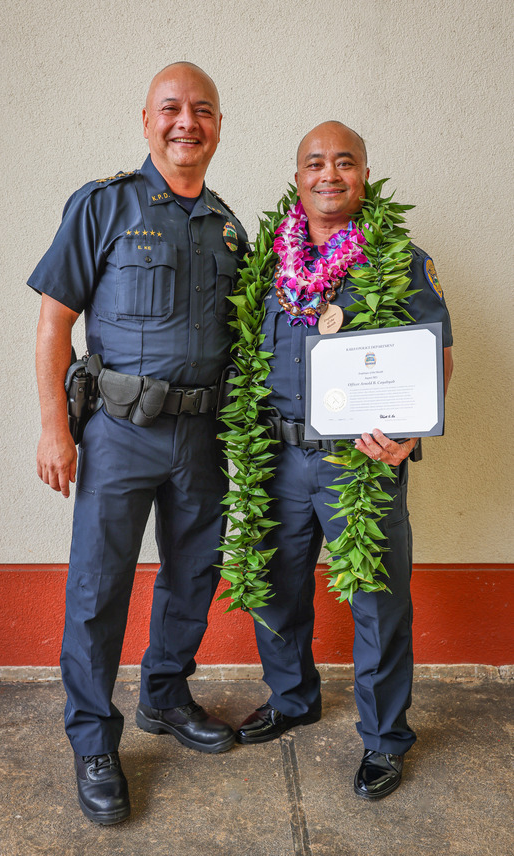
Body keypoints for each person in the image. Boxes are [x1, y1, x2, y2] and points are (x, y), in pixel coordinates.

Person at [28, 62, 247, 825]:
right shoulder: (104, 205)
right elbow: (55, 321)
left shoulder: (229, 225)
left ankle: (164, 694)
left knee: (193, 575)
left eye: (203, 111)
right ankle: (93, 739)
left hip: (201, 436)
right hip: (119, 432)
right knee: (98, 589)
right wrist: (56, 427)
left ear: (218, 125)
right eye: (171, 109)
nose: (187, 122)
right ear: (146, 119)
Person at [235, 121, 453, 800]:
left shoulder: (398, 258)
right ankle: (292, 697)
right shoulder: (267, 264)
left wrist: (409, 434)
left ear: (364, 174)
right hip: (276, 454)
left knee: (377, 603)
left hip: (360, 463)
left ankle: (385, 739)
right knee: (275, 587)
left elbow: (435, 354)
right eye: (314, 163)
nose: (328, 174)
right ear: (296, 176)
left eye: (344, 163)